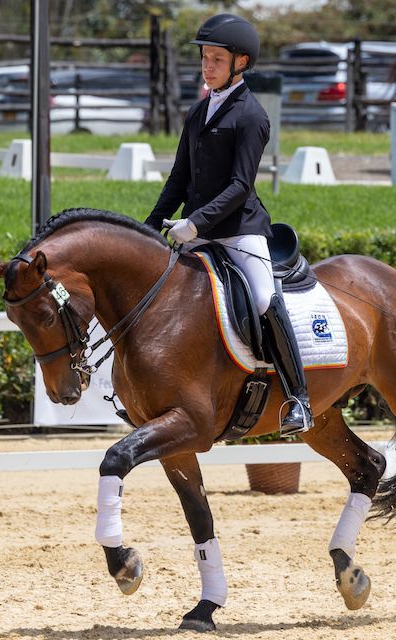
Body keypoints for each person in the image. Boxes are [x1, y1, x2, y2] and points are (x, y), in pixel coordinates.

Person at [143, 14, 313, 435]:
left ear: (241, 62)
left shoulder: (251, 116)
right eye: (204, 57)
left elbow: (240, 186)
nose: (207, 66)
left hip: (240, 230)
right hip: (196, 230)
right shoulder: (198, 112)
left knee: (260, 298)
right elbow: (178, 180)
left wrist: (195, 225)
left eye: (217, 59)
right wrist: (145, 231)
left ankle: (299, 398)